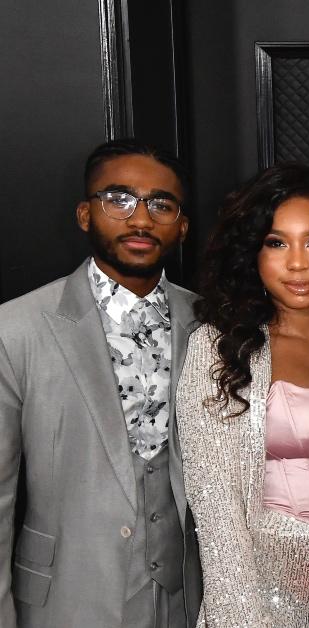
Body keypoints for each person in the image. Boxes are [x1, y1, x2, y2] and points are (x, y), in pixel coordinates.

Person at [173, 163, 309, 626]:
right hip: (265, 590)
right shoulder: (219, 347)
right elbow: (216, 507)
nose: (296, 263)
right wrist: (240, 618)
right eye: (276, 243)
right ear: (253, 252)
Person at [0, 139, 201, 627]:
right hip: (64, 600)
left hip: (186, 601)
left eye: (161, 204)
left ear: (182, 226)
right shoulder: (18, 327)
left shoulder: (209, 325)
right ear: (85, 214)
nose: (140, 219)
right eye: (118, 199)